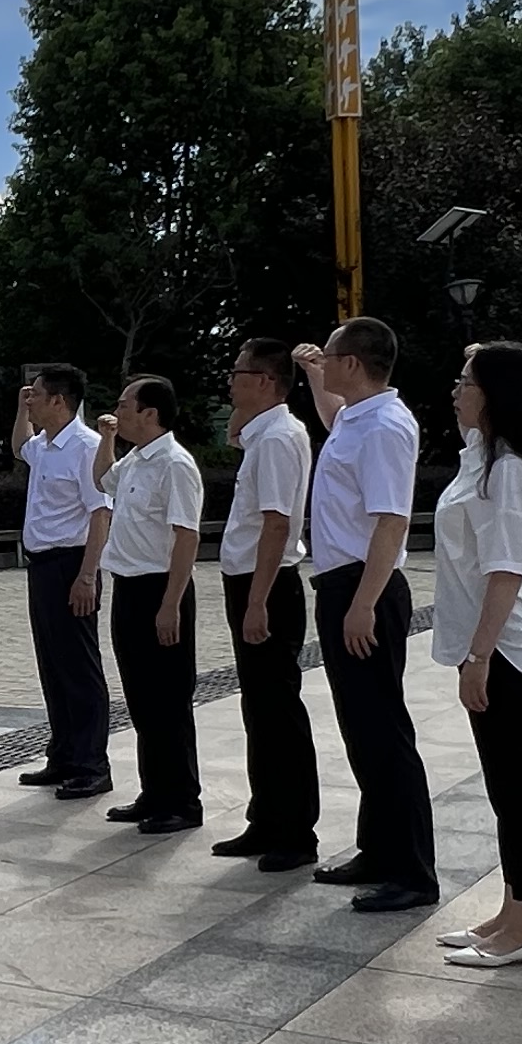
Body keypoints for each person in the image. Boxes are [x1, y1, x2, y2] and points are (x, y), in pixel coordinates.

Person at [289, 318, 436, 914]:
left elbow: (392, 520)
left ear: (352, 363)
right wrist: (311, 375)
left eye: (329, 355)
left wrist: (364, 604)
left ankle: (412, 871)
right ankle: (378, 850)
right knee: (362, 729)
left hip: (363, 587)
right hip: (341, 584)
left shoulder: (385, 427)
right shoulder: (356, 417)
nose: (323, 361)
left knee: (384, 731)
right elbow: (331, 416)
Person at [434, 339, 522, 969]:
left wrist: (481, 655)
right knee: (504, 784)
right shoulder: (481, 457)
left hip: (502, 646)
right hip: (482, 642)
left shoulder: (510, 471)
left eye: (467, 382)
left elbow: (507, 569)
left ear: (495, 396)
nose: (456, 391)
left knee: (518, 787)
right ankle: (511, 911)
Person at [214, 339, 320, 870]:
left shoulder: (278, 438)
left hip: (269, 584)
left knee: (277, 711)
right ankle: (266, 817)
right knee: (258, 708)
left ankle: (295, 832)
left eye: (238, 373)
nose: (230, 381)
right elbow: (233, 433)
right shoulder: (264, 432)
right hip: (252, 581)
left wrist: (258, 601)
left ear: (265, 381)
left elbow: (277, 524)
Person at [90, 377, 207, 832]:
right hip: (129, 589)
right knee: (142, 699)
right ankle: (154, 792)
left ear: (150, 413)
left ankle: (182, 801)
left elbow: (187, 536)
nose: (117, 411)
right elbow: (102, 479)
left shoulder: (175, 464)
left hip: (161, 589)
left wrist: (171, 604)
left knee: (168, 700)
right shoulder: (137, 459)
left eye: (125, 406)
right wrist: (107, 438)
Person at [12, 364, 110, 799]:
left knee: (79, 668)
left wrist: (87, 575)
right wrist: (21, 409)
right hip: (42, 566)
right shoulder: (45, 444)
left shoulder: (86, 447)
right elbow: (20, 448)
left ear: (59, 400)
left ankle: (92, 764)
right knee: (53, 665)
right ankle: (64, 755)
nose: (30, 399)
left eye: (36, 394)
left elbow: (100, 514)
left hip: (72, 564)